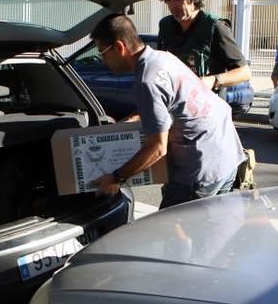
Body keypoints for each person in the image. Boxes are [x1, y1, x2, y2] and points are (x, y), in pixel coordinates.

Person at [91, 14, 247, 209]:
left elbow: (157, 148)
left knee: (170, 233)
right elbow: (178, 104)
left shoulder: (147, 80)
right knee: (208, 232)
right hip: (227, 158)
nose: (103, 60)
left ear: (119, 47)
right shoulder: (164, 57)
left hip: (199, 173)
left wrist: (116, 178)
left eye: (102, 52)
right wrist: (137, 119)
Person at [157, 0, 252, 94]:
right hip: (174, 104)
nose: (172, 5)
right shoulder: (165, 25)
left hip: (207, 105)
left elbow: (244, 72)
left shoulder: (215, 26)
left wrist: (213, 80)